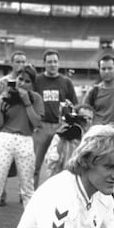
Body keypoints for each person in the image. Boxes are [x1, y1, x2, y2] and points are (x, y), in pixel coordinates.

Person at [0, 65, 44, 228]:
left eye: (27, 81)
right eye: (20, 79)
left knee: (27, 188)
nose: (22, 83)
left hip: (25, 140)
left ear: (32, 84)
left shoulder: (36, 98)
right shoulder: (6, 95)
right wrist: (2, 109)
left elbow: (37, 123)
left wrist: (26, 102)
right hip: (4, 138)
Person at [33, 49, 78, 188]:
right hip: (42, 126)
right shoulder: (37, 80)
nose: (53, 64)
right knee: (35, 164)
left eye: (55, 61)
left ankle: (57, 192)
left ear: (59, 63)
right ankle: (31, 193)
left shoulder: (66, 82)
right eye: (49, 62)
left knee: (60, 162)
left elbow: (74, 104)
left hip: (60, 126)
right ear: (44, 63)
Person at [0, 50, 27, 206]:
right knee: (1, 164)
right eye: (18, 61)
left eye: (23, 61)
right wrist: (3, 98)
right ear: (11, 63)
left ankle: (24, 194)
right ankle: (0, 196)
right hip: (5, 128)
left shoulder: (29, 82)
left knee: (24, 164)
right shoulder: (2, 82)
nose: (21, 65)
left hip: (23, 128)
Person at [44, 103, 94, 178]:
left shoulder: (92, 139)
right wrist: (61, 141)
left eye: (90, 119)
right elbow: (50, 164)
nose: (87, 121)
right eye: (84, 118)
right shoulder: (62, 136)